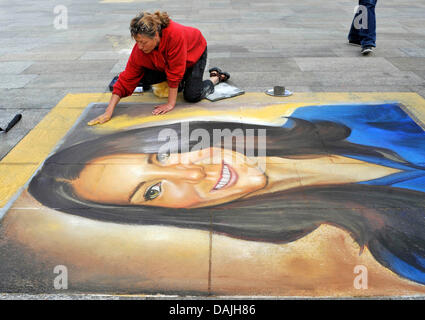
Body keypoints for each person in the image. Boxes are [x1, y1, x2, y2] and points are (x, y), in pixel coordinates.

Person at [29, 103, 425, 286]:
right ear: (166, 215)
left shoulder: (343, 119)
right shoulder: (400, 248)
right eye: (153, 189)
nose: (193, 169)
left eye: (165, 154)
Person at [88, 11, 230, 125]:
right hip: (169, 62)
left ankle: (215, 78)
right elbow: (126, 78)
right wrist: (108, 111)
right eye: (137, 42)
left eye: (143, 42)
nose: (140, 47)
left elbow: (175, 71)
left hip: (193, 52)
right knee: (141, 78)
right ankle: (183, 81)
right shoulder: (141, 49)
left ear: (156, 35)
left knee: (192, 95)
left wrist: (170, 103)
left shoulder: (175, 35)